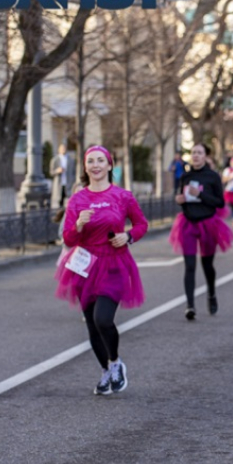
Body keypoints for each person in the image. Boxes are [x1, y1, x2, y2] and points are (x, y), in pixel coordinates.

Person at [55, 146, 148, 395]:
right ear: (85, 167)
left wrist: (127, 236)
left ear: (109, 165)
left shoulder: (122, 196)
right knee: (91, 326)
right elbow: (68, 238)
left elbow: (141, 224)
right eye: (90, 161)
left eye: (100, 161)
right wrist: (77, 224)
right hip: (84, 264)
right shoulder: (77, 199)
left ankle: (115, 362)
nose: (95, 165)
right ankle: (105, 371)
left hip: (114, 263)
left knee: (102, 319)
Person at [169, 143, 233, 320]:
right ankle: (190, 305)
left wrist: (199, 194)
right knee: (189, 266)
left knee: (207, 265)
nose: (196, 156)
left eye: (199, 153)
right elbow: (181, 197)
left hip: (207, 223)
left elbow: (220, 202)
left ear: (206, 156)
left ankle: (211, 293)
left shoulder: (212, 177)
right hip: (188, 223)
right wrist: (180, 200)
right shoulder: (185, 176)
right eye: (193, 153)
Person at [49, 143, 77, 208]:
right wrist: (57, 171)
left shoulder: (71, 160)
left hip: (69, 184)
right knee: (60, 202)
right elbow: (51, 172)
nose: (63, 150)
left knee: (69, 202)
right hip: (59, 184)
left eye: (64, 148)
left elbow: (74, 172)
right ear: (59, 150)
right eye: (61, 148)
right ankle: (60, 215)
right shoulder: (55, 160)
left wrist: (73, 181)